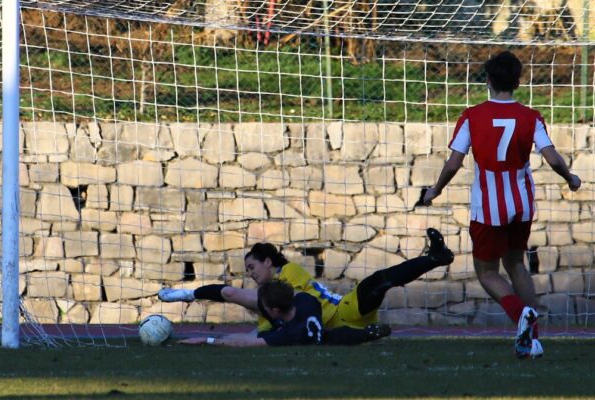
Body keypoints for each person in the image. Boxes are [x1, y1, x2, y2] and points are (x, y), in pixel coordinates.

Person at [422, 51, 581, 359]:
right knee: (516, 263)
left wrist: (436, 189)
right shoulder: (531, 116)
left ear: (489, 80)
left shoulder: (472, 116)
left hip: (488, 209)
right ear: (518, 82)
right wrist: (570, 177)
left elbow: (455, 162)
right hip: (521, 204)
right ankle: (532, 338)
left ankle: (521, 314)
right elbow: (550, 157)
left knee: (486, 273)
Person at [160, 228, 454, 334]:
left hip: (344, 313)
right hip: (338, 333)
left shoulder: (289, 274)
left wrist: (186, 294)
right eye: (246, 270)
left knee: (378, 281)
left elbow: (232, 295)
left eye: (252, 267)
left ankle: (433, 258)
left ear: (268, 262)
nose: (249, 273)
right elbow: (261, 334)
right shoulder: (269, 301)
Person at [179, 279, 392, 347]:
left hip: (309, 336)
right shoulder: (306, 301)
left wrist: (207, 340)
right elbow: (297, 295)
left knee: (330, 338)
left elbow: (245, 342)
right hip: (321, 329)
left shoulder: (288, 334)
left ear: (274, 311)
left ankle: (366, 334)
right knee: (331, 335)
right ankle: (367, 333)